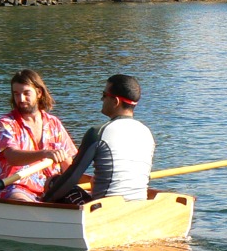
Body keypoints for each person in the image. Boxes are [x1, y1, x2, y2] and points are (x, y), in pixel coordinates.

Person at [42, 74, 154, 203]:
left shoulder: (98, 132)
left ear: (116, 101)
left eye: (104, 95)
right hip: (140, 205)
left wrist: (44, 200)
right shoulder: (146, 133)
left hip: (106, 210)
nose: (101, 99)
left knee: (54, 181)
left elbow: (72, 177)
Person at [0, 69, 78, 201]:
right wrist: (45, 153)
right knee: (21, 201)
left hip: (52, 187)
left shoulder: (53, 123)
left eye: (26, 93)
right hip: (18, 187)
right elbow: (12, 156)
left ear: (39, 93)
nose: (21, 99)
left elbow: (67, 163)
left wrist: (74, 187)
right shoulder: (5, 124)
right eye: (16, 94)